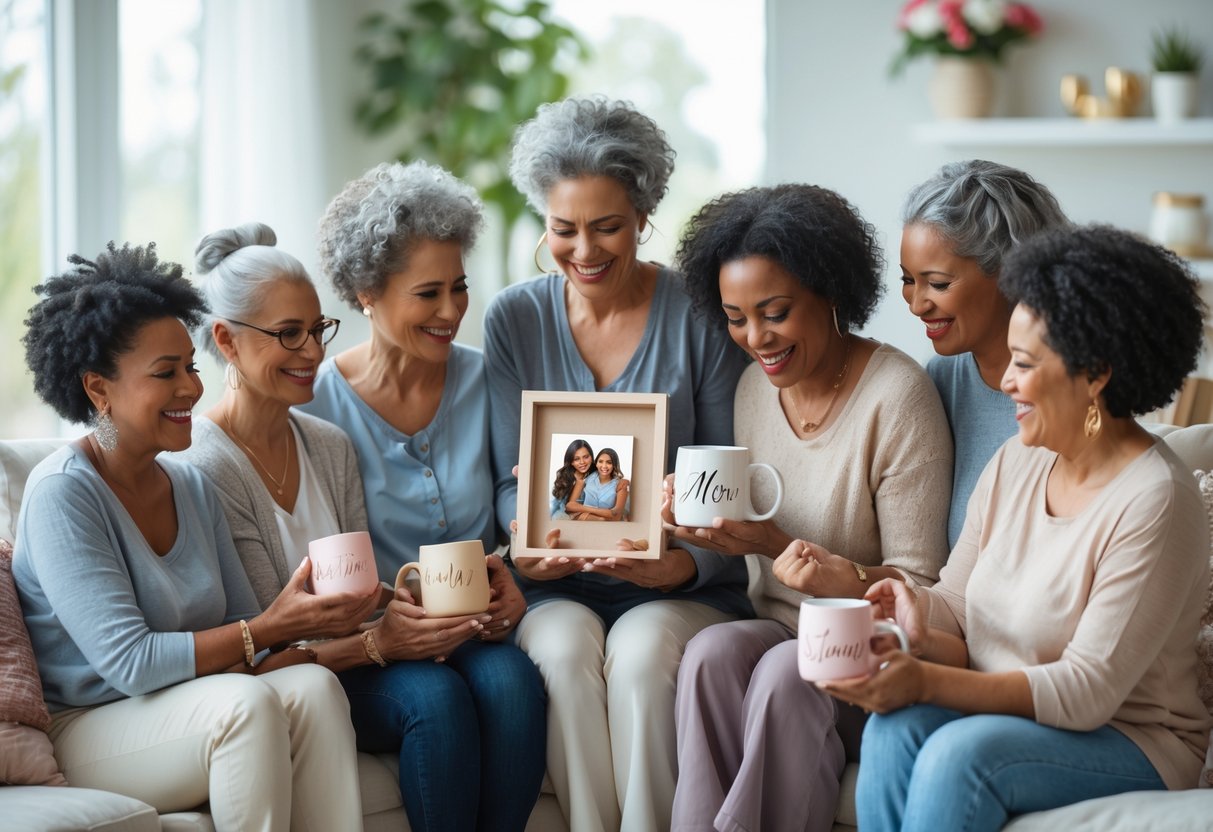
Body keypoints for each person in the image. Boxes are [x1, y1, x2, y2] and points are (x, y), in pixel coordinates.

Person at [823, 225, 1211, 831]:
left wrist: (927, 680)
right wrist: (909, 614)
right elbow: (956, 602)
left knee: (960, 756)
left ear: (1097, 373)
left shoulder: (1156, 499)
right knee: (895, 727)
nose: (1005, 382)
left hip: (1133, 741)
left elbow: (1086, 692)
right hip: (1020, 721)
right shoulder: (1019, 459)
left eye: (1025, 364)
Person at [14, 242, 371, 830]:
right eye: (165, 373)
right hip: (90, 723)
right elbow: (131, 663)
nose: (191, 389)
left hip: (189, 700)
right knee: (247, 705)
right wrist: (270, 627)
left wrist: (310, 635)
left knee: (311, 687)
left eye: (190, 367)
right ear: (98, 388)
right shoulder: (63, 494)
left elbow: (242, 630)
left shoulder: (191, 485)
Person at [484, 95, 751, 832]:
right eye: (563, 229)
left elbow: (722, 477)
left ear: (642, 216)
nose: (585, 251)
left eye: (606, 227)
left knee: (637, 658)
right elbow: (513, 476)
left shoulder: (697, 312)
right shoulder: (515, 316)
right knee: (565, 653)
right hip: (557, 588)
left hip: (673, 581)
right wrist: (525, 547)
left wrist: (682, 563)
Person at [666, 184, 953, 832]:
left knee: (781, 670)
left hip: (875, 649)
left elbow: (919, 589)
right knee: (708, 654)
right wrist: (706, 531)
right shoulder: (751, 390)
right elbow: (754, 543)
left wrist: (771, 543)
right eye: (735, 318)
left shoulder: (896, 397)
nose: (755, 338)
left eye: (773, 312)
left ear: (828, 289)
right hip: (781, 627)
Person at [300, 161, 547, 832]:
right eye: (428, 293)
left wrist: (516, 571)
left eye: (459, 288)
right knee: (435, 701)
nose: (451, 312)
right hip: (370, 639)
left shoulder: (481, 378)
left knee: (514, 688)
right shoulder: (316, 403)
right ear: (366, 293)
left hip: (468, 620)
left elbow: (510, 496)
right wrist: (383, 624)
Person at [900, 160, 1069, 548]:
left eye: (937, 284)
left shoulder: (1074, 386)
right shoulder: (940, 379)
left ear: (1014, 272)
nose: (916, 304)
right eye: (908, 280)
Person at [569, 448, 629, 521]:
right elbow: (569, 506)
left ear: (614, 465)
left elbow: (616, 513)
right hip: (586, 522)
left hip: (605, 525)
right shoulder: (585, 479)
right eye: (600, 461)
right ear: (596, 463)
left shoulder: (620, 484)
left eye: (609, 462)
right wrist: (601, 517)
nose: (604, 466)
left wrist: (582, 508)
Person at [551, 438, 593, 519]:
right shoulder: (565, 477)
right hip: (564, 516)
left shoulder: (596, 475)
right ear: (571, 462)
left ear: (591, 457)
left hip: (586, 518)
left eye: (586, 457)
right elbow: (555, 505)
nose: (582, 462)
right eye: (576, 459)